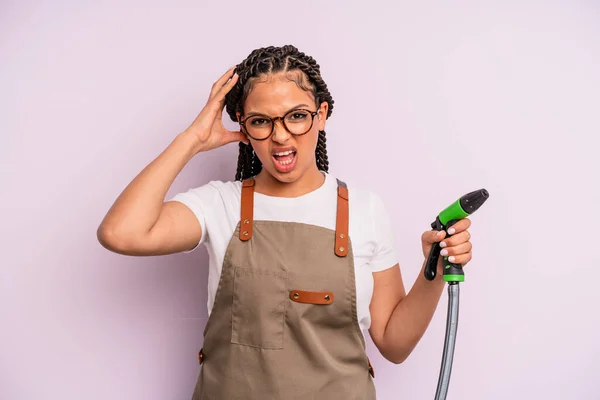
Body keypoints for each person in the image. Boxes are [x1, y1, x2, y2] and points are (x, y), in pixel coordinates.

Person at [97, 45, 474, 399]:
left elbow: (394, 343)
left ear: (321, 115)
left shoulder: (365, 209)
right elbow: (121, 232)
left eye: (297, 116)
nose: (280, 137)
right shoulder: (219, 204)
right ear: (243, 128)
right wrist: (193, 139)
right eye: (261, 121)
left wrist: (436, 269)